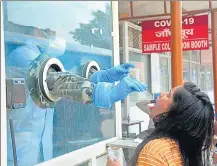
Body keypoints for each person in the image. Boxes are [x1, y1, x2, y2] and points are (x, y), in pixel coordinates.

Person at [6, 40, 147, 166]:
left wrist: (101, 76)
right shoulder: (23, 54)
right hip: (22, 146)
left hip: (42, 145)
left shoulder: (43, 55)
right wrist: (103, 94)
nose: (56, 36)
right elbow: (55, 81)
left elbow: (68, 77)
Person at [107, 82, 215, 166]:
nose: (162, 94)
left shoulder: (154, 151)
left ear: (175, 112)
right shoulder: (183, 149)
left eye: (168, 95)